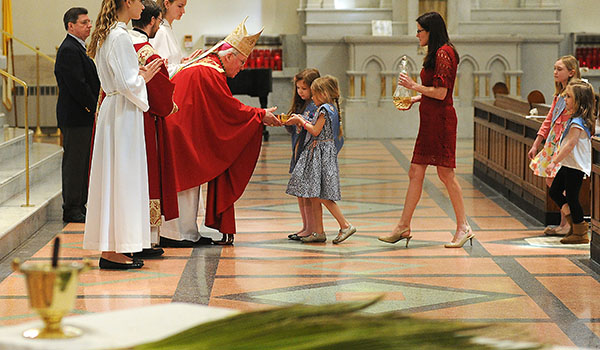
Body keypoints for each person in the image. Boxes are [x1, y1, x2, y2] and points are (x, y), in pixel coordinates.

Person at [162, 17, 282, 246]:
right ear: (228, 56)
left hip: (180, 129)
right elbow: (228, 109)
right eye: (241, 62)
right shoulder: (210, 72)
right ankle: (177, 234)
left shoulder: (208, 65)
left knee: (187, 184)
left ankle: (184, 232)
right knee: (185, 182)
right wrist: (259, 115)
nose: (242, 68)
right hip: (180, 132)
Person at [378, 12, 471, 248]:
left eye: (420, 30)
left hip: (441, 122)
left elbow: (441, 93)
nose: (417, 34)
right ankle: (403, 226)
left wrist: (412, 86)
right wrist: (416, 98)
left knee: (445, 175)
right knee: (415, 172)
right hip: (430, 119)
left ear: (431, 30)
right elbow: (436, 93)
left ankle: (464, 227)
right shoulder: (438, 52)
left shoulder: (444, 53)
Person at [83, 0, 163, 269]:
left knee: (116, 179)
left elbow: (120, 78)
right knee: (123, 178)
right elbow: (128, 84)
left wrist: (136, 76)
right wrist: (144, 78)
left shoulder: (109, 34)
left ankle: (116, 246)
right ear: (127, 2)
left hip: (115, 109)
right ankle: (112, 251)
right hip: (123, 113)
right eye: (140, 1)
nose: (143, 6)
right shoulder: (119, 36)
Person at [128, 0, 179, 258]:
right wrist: (171, 106)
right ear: (151, 22)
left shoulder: (122, 43)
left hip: (122, 121)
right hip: (146, 123)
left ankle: (129, 237)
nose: (159, 26)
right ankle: (146, 240)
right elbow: (160, 93)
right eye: (159, 21)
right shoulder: (148, 53)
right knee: (149, 177)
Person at [286, 75, 355, 244]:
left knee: (323, 195)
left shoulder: (324, 109)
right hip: (319, 154)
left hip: (320, 156)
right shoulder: (329, 108)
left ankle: (345, 225)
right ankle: (318, 231)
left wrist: (300, 121)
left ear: (323, 94)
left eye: (315, 95)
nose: (313, 98)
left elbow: (316, 131)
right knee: (314, 194)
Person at [54, 7, 100, 223]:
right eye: (84, 22)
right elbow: (78, 86)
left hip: (82, 116)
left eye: (89, 21)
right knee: (75, 163)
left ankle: (79, 205)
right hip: (76, 117)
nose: (89, 25)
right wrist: (95, 108)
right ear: (70, 26)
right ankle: (71, 208)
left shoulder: (78, 47)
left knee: (82, 164)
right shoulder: (69, 50)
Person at [528, 55, 580, 236]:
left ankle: (567, 223)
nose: (555, 72)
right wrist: (536, 144)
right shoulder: (559, 94)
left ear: (571, 72)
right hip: (553, 141)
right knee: (552, 180)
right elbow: (548, 120)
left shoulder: (575, 93)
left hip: (564, 141)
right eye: (554, 69)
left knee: (561, 183)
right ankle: (566, 220)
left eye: (559, 69)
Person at [545, 80, 597, 244]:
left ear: (579, 101)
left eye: (568, 96)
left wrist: (554, 162)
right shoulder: (575, 119)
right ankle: (574, 224)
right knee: (555, 191)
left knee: (573, 197)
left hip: (575, 165)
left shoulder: (578, 122)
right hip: (569, 163)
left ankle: (580, 232)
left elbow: (570, 145)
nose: (565, 99)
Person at [150, 0, 201, 77]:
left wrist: (183, 61)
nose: (183, 11)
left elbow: (172, 62)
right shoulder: (160, 30)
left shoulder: (168, 29)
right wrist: (184, 65)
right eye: (180, 6)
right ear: (167, 4)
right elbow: (162, 69)